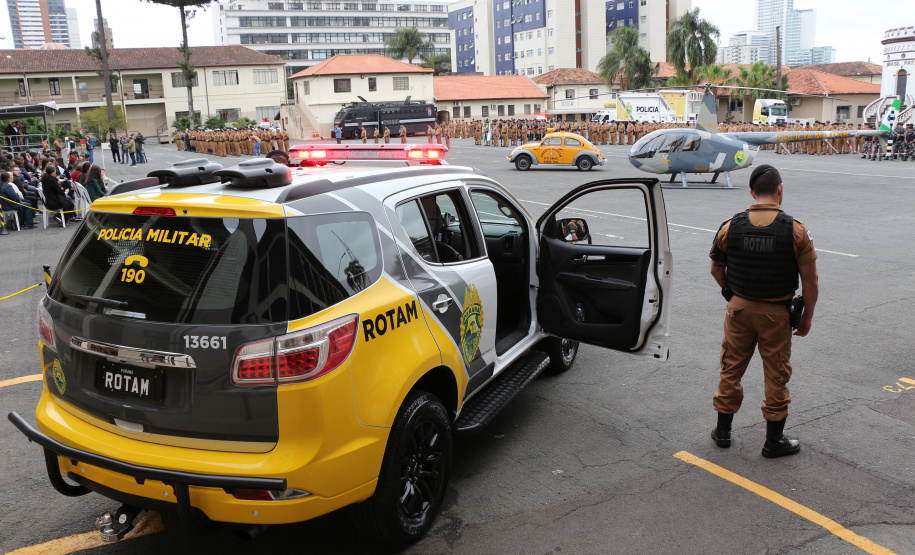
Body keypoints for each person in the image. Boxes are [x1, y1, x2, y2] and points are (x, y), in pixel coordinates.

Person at [708, 164, 818, 458]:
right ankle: (774, 440)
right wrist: (806, 316)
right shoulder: (796, 230)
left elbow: (716, 269)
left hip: (739, 308)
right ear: (780, 190)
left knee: (731, 368)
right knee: (776, 375)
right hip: (776, 313)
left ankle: (722, 431)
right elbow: (810, 280)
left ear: (752, 193)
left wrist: (731, 294)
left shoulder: (730, 225)